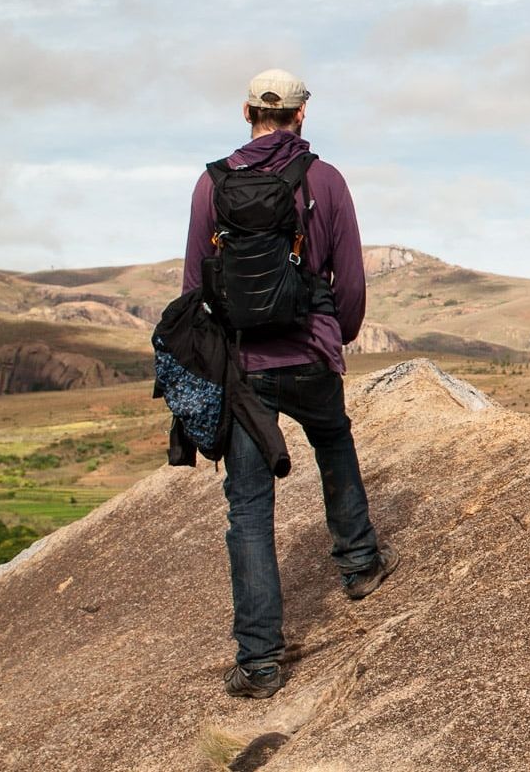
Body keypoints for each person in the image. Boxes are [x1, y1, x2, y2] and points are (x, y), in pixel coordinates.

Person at [181, 68, 395, 699]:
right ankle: (359, 564)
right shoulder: (325, 180)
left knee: (249, 509)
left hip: (244, 366)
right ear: (301, 115)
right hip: (308, 350)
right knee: (333, 441)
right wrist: (335, 334)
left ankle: (259, 662)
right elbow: (349, 280)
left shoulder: (211, 184)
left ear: (246, 112)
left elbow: (194, 284)